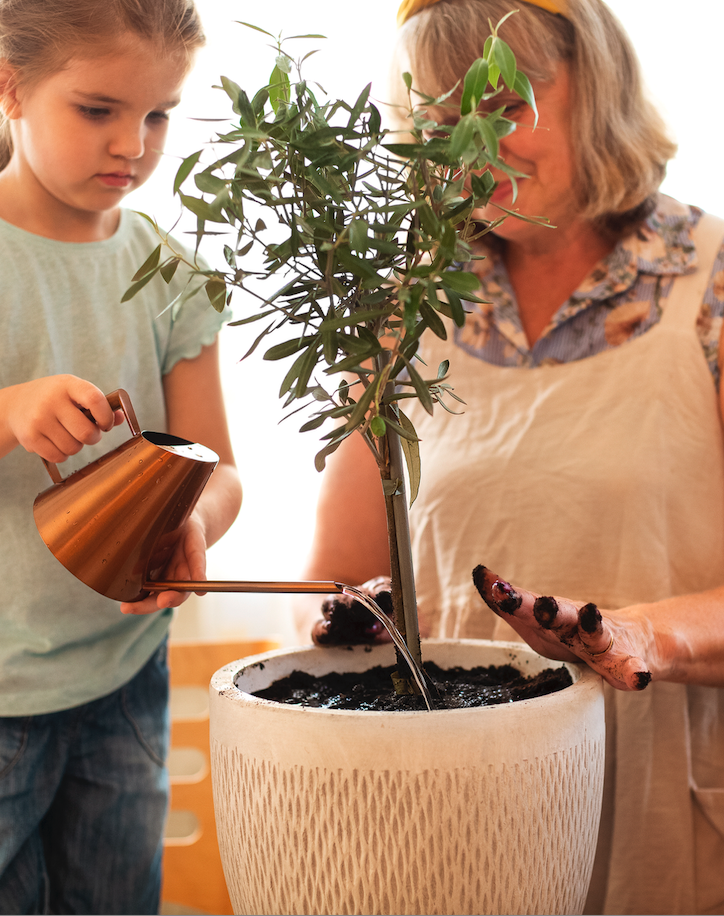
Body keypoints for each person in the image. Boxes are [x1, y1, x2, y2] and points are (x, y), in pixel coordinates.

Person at [296, 0, 724, 913]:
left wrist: (638, 635)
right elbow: (341, 570)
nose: (471, 144)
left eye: (506, 100)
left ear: (597, 85)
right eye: (442, 119)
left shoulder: (711, 284)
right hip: (446, 794)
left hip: (659, 789)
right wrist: (349, 613)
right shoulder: (406, 302)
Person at [0, 0, 242, 912]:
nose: (133, 146)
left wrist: (195, 521)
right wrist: (12, 410)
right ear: (10, 86)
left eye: (158, 114)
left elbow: (219, 468)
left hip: (125, 678)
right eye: (97, 110)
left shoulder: (170, 273)